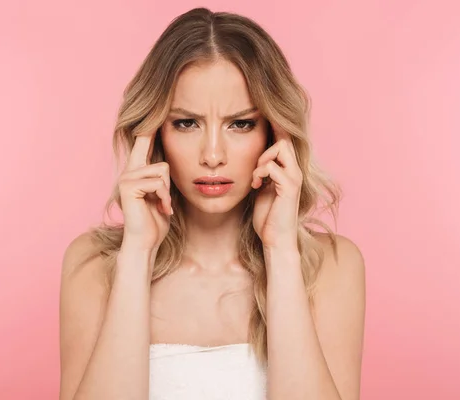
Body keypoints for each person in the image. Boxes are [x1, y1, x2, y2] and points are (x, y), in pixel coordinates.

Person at [58, 7, 366, 400]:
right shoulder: (92, 266)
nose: (213, 155)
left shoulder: (332, 267)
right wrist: (136, 254)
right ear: (154, 134)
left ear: (274, 132)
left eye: (241, 123)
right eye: (187, 123)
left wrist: (281, 251)